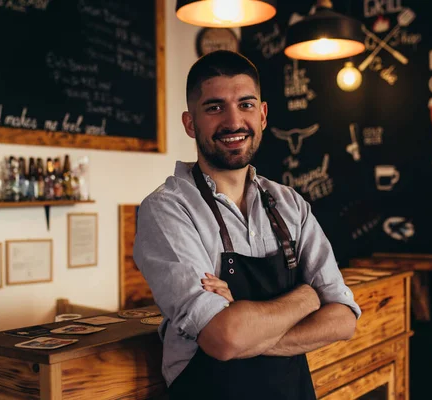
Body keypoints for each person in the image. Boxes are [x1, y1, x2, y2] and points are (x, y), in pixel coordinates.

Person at [133, 50, 361, 400]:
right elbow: (224, 339)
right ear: (190, 123)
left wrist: (244, 323)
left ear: (263, 114)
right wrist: (307, 296)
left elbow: (344, 320)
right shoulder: (167, 210)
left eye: (246, 104)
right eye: (214, 107)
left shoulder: (290, 205)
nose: (233, 121)